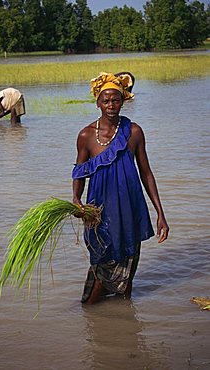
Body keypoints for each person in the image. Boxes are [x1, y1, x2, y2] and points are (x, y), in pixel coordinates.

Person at [72, 72, 169, 305]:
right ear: (97, 102)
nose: (111, 105)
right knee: (102, 263)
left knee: (128, 263)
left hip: (130, 209)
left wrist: (160, 213)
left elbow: (146, 172)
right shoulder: (86, 136)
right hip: (99, 212)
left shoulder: (134, 132)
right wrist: (76, 199)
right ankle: (90, 311)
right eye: (105, 100)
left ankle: (126, 316)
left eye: (115, 100)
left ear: (123, 101)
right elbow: (79, 172)